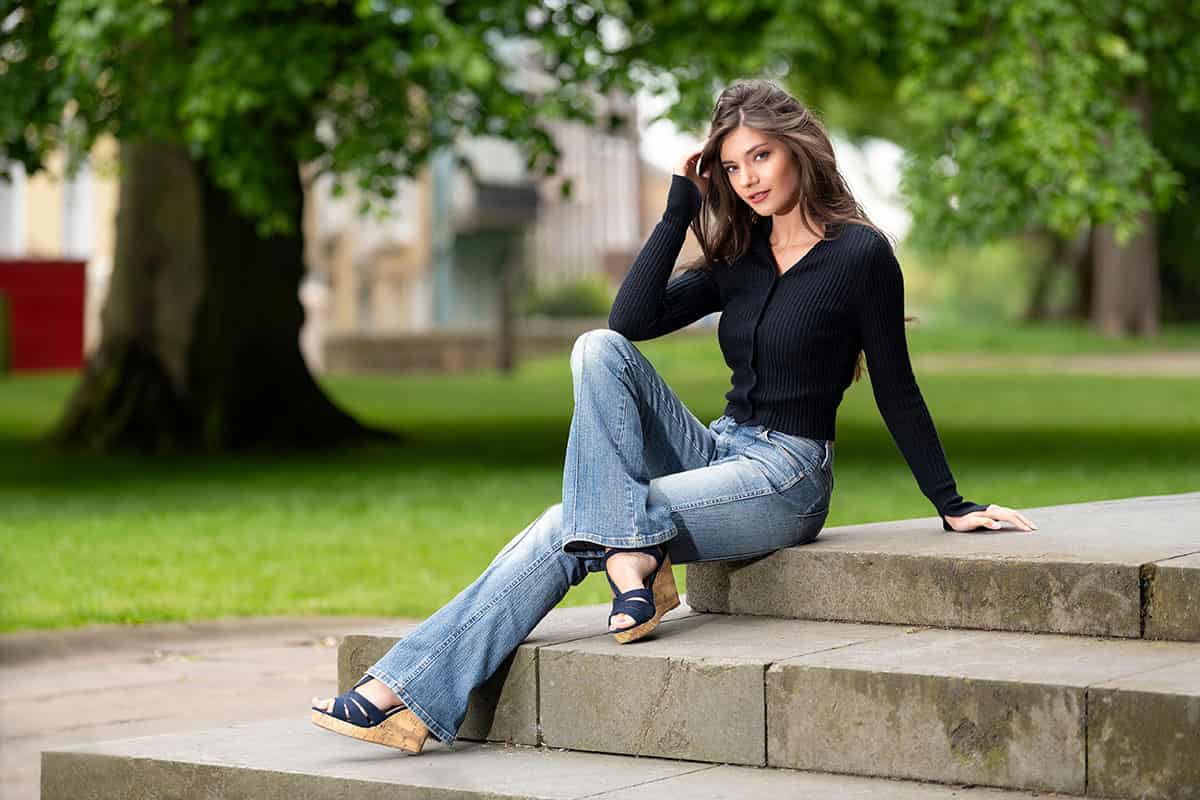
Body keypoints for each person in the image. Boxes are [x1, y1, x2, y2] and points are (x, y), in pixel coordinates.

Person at [310, 78, 1039, 754]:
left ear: (800, 151)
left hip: (785, 475)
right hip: (718, 450)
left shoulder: (862, 256)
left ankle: (404, 691)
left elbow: (897, 388)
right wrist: (678, 210)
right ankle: (633, 557)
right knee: (596, 349)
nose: (749, 177)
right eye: (733, 165)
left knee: (566, 526)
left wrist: (952, 503)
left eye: (762, 156)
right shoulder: (740, 254)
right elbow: (629, 321)